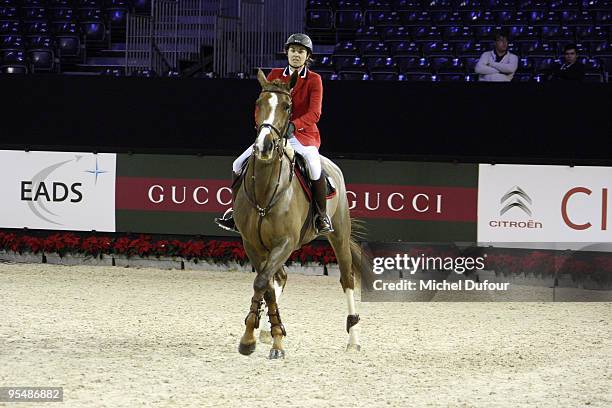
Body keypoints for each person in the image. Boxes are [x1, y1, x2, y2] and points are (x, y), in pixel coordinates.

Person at [215, 33, 333, 235]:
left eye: (301, 52)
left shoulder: (314, 80)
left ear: (307, 56)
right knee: (237, 164)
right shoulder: (275, 74)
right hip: (274, 133)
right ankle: (236, 214)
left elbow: (315, 113)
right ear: (287, 52)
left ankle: (321, 216)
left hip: (302, 135)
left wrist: (294, 126)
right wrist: (264, 127)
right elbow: (262, 105)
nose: (296, 55)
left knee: (313, 166)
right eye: (293, 50)